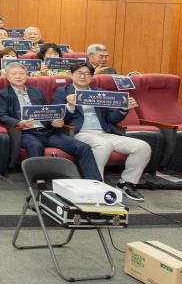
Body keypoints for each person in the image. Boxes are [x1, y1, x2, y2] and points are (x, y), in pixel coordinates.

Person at [53, 62, 149, 201]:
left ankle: (126, 183)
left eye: (87, 74)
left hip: (104, 132)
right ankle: (96, 183)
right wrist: (69, 106)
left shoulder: (100, 93)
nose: (83, 76)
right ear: (71, 75)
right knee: (103, 145)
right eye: (79, 73)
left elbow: (111, 119)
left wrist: (124, 108)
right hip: (79, 133)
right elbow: (58, 117)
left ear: (92, 77)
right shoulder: (62, 92)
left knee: (142, 147)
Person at [0, 62, 101, 180]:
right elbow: (2, 116)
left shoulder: (36, 91)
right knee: (35, 145)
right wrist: (19, 123)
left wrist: (54, 121)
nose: (18, 76)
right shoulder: (3, 94)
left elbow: (48, 112)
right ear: (7, 77)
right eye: (14, 74)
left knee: (83, 147)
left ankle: (94, 182)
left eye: (21, 73)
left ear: (26, 75)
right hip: (25, 132)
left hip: (47, 132)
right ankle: (40, 182)